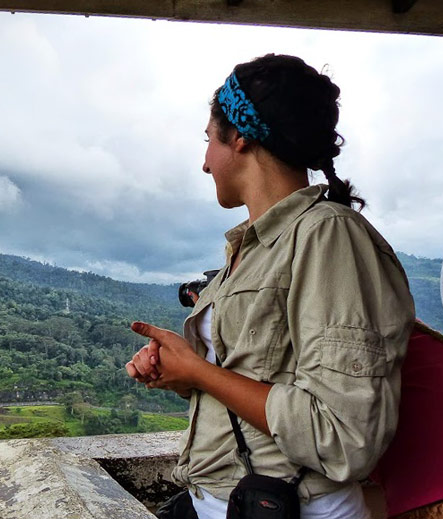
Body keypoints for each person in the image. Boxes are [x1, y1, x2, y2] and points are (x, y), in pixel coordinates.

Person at [125, 54, 415, 519]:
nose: (204, 163)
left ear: (238, 136)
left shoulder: (327, 235)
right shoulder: (254, 246)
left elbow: (343, 436)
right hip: (223, 502)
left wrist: (202, 373)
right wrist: (185, 369)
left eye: (208, 141)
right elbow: (259, 377)